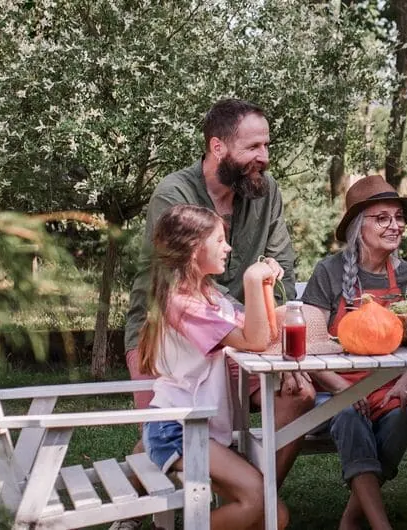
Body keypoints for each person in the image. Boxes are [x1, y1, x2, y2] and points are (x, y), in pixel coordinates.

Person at [122, 98, 314, 488]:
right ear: (217, 147)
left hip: (242, 334)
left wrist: (272, 347)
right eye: (253, 148)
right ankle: (135, 510)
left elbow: (284, 272)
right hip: (166, 336)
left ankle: (257, 501)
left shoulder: (266, 191)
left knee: (299, 395)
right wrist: (250, 328)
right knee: (165, 431)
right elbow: (181, 285)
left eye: (267, 146)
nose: (264, 157)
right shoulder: (173, 193)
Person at [135, 204, 289, 529]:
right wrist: (250, 277)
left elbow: (265, 330)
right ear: (194, 248)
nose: (228, 248)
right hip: (177, 429)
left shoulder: (208, 296)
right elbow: (256, 341)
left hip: (199, 429)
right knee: (257, 501)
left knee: (276, 517)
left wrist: (265, 286)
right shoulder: (182, 304)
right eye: (220, 240)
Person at [297, 175, 407, 530]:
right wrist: (341, 388)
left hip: (389, 391)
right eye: (382, 217)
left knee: (403, 416)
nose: (394, 225)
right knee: (349, 416)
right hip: (331, 390)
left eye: (398, 217)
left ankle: (351, 519)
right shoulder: (329, 272)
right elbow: (309, 343)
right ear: (359, 226)